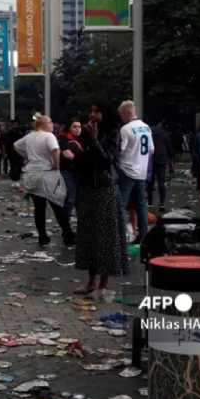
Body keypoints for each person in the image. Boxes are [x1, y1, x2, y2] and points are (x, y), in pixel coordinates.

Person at [74, 104, 125, 299]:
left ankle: (103, 285)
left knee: (105, 237)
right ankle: (90, 281)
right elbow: (81, 161)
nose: (92, 114)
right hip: (88, 189)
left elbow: (106, 161)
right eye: (91, 110)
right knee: (89, 236)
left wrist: (95, 140)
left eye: (97, 111)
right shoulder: (86, 134)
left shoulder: (113, 134)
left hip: (105, 189)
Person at [14, 115, 75, 247]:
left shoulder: (30, 136)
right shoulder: (49, 136)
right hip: (47, 174)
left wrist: (27, 156)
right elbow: (55, 150)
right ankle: (68, 234)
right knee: (58, 205)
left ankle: (43, 237)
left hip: (31, 175)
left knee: (39, 208)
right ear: (43, 124)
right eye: (50, 122)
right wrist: (56, 165)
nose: (52, 124)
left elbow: (17, 145)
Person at [116, 101, 153, 244]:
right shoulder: (146, 127)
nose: (121, 118)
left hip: (127, 170)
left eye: (121, 115)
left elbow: (121, 150)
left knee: (121, 203)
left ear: (126, 113)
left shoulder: (125, 129)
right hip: (142, 171)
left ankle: (121, 236)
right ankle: (143, 236)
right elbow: (151, 150)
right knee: (141, 204)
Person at [59, 118, 84, 222]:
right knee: (70, 198)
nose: (77, 129)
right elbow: (68, 155)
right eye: (74, 127)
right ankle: (66, 227)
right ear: (69, 128)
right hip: (68, 171)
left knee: (80, 200)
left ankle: (80, 226)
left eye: (79, 127)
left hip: (80, 172)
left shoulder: (82, 139)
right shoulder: (64, 139)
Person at [149, 120, 174, 211]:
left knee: (150, 182)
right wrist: (171, 159)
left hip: (151, 159)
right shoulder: (164, 134)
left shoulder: (150, 132)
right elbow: (169, 148)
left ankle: (150, 202)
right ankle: (162, 203)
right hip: (161, 160)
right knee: (161, 182)